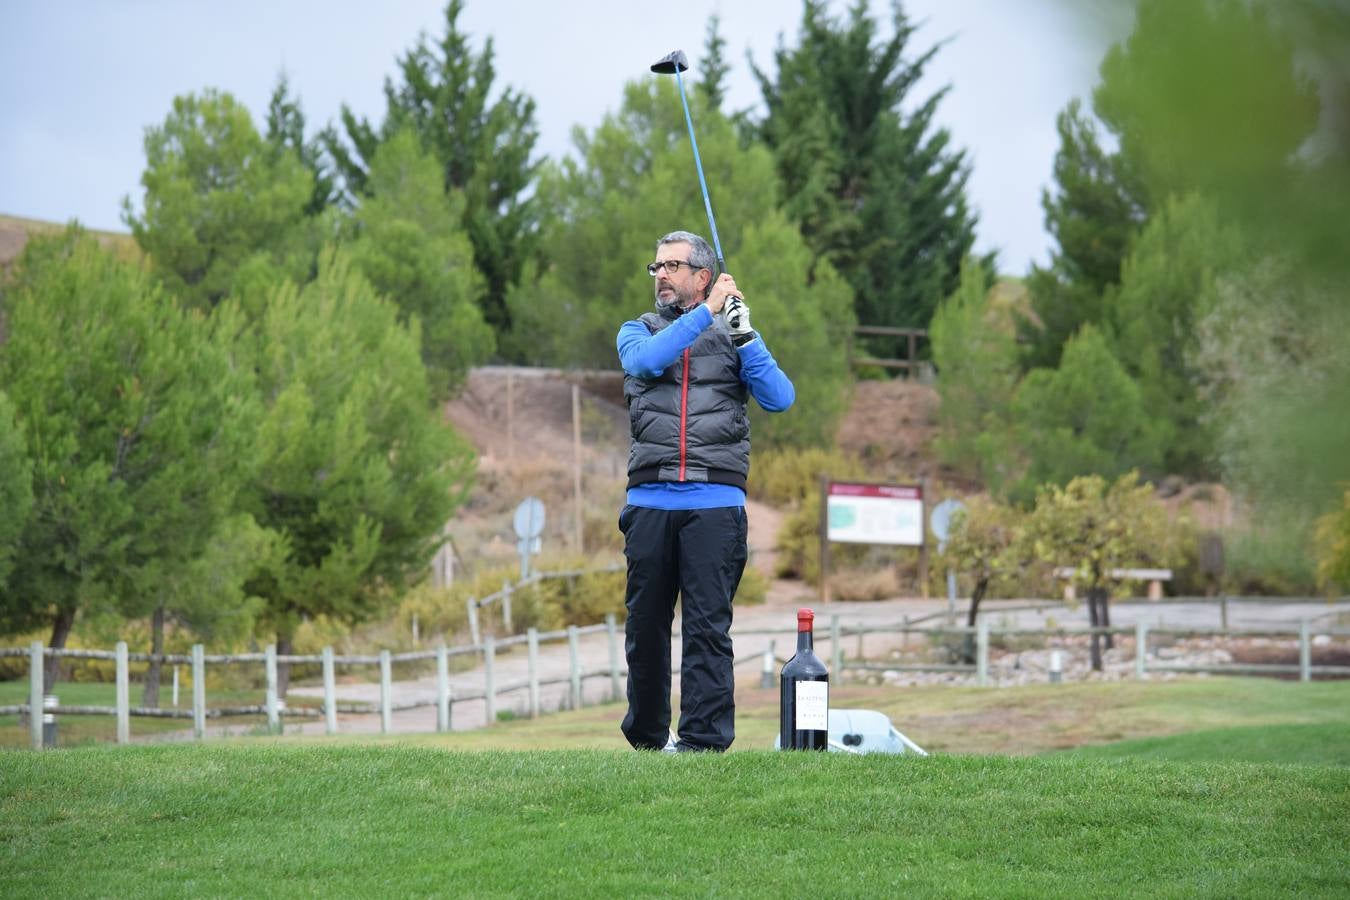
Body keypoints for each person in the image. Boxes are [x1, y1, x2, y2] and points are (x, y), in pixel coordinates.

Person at [616, 230, 795, 752]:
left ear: (703, 276)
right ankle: (648, 741)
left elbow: (780, 398)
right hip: (649, 504)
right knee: (646, 631)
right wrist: (706, 314)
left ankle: (703, 744)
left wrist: (746, 335)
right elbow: (647, 362)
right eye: (656, 267)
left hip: (716, 508)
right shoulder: (638, 331)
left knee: (707, 632)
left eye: (673, 265)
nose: (662, 275)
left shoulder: (734, 334)